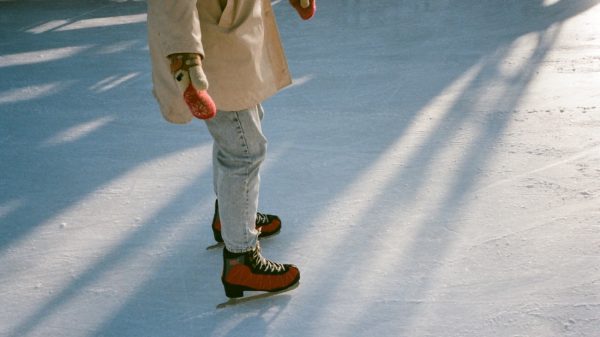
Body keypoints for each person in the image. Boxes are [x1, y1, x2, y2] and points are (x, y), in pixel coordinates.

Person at [146, 0, 316, 299]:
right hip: (211, 50)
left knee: (242, 129)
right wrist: (185, 58)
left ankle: (230, 218)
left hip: (233, 36)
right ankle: (242, 259)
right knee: (243, 149)